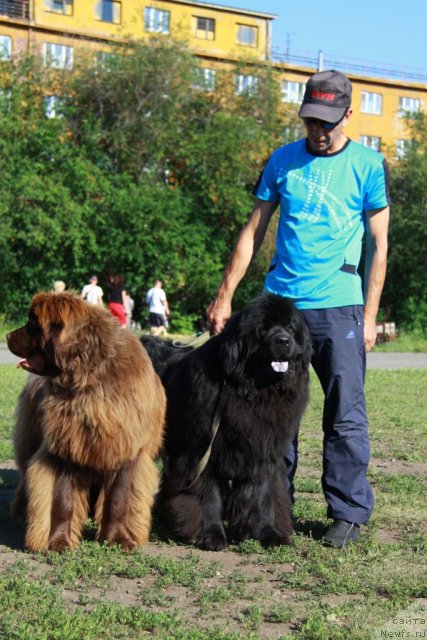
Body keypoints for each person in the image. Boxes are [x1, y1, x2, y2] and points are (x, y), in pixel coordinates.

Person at [207, 70, 390, 548]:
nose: (319, 130)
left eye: (328, 121)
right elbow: (252, 232)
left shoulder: (368, 166)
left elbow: (379, 244)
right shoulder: (282, 161)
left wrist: (369, 316)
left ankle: (347, 511)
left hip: (339, 309)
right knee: (269, 410)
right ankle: (270, 507)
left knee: (345, 413)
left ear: (348, 114)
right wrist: (226, 294)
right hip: (280, 310)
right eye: (311, 120)